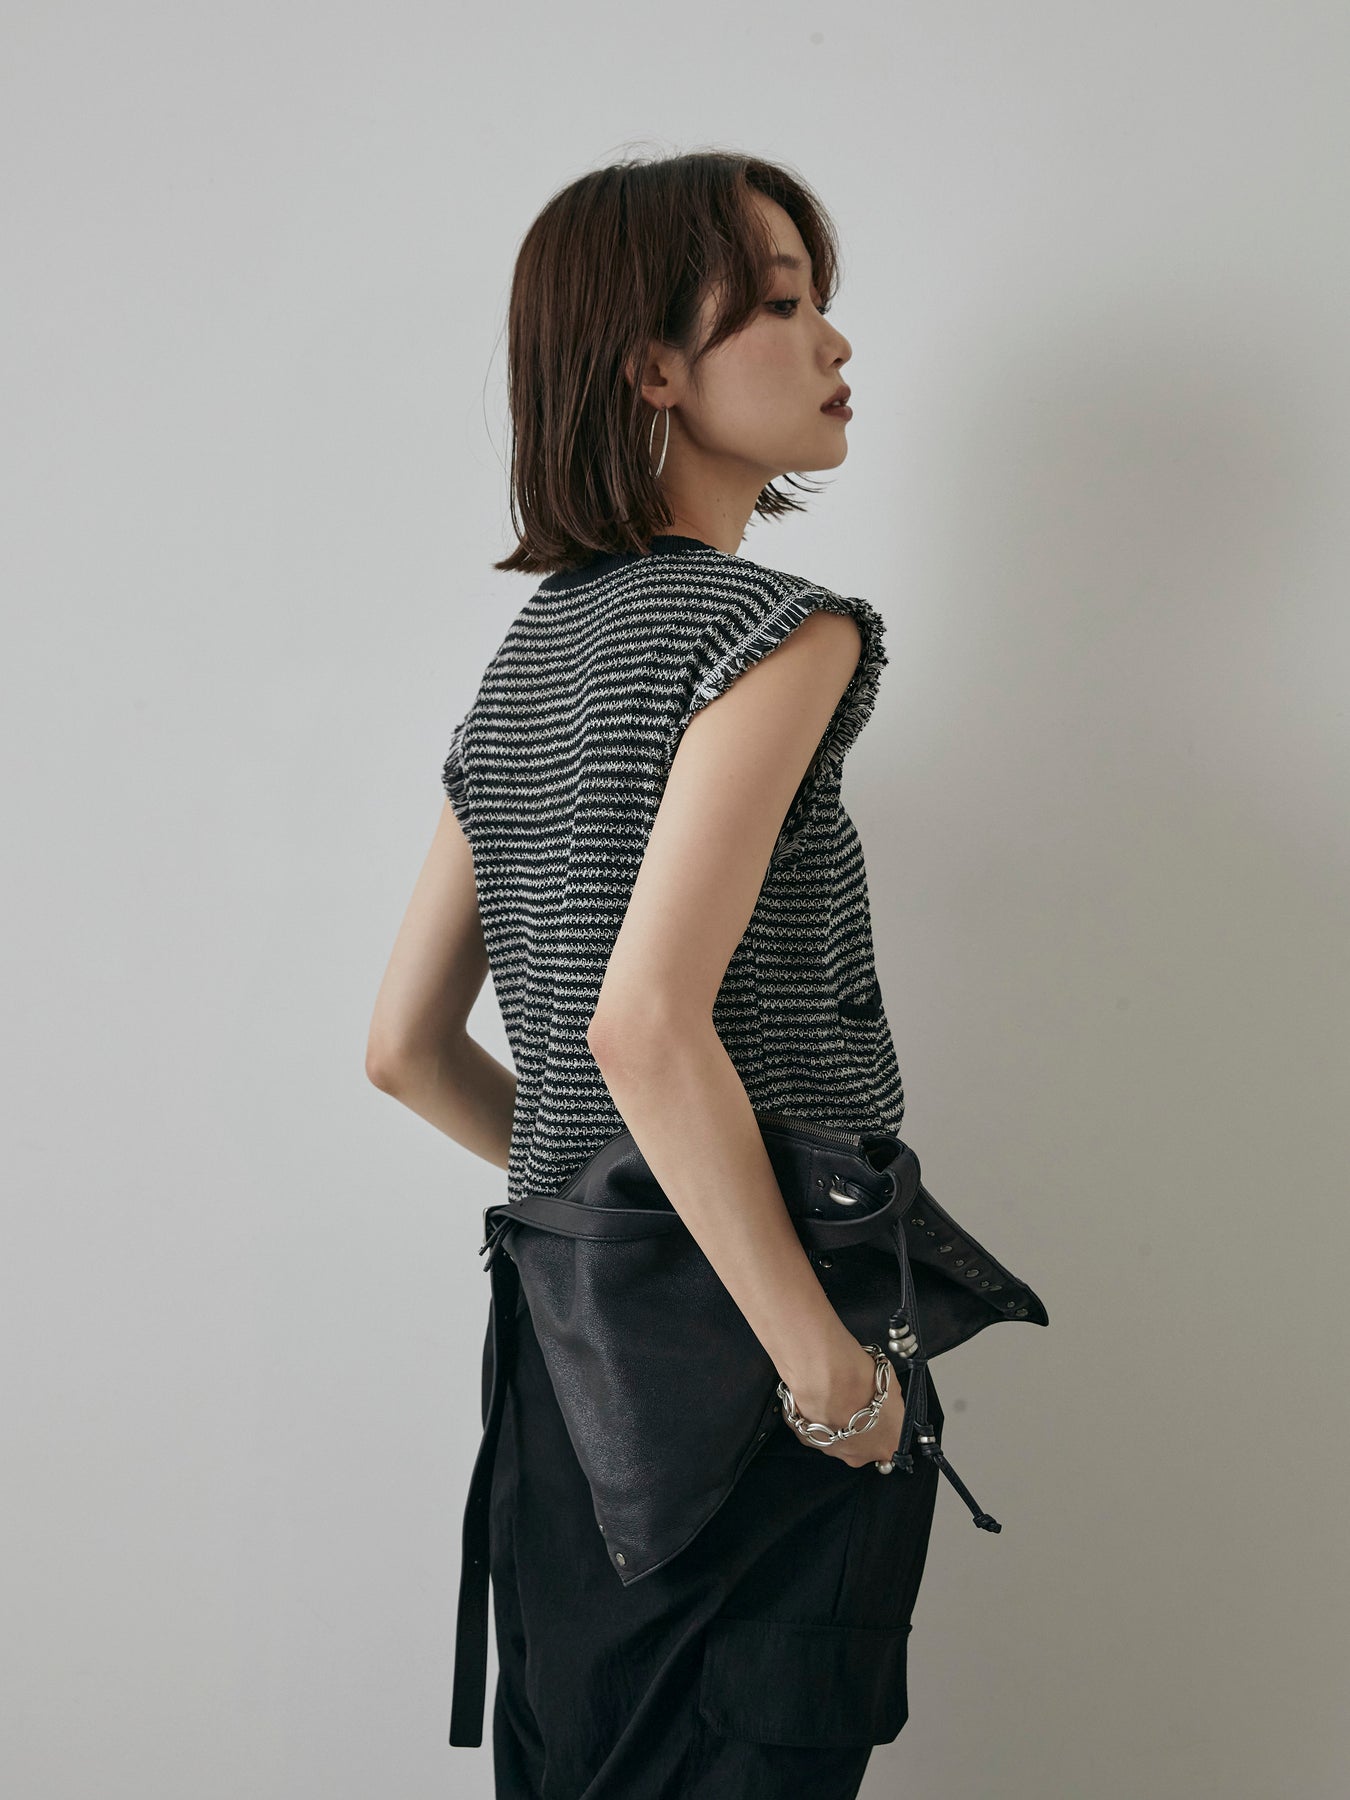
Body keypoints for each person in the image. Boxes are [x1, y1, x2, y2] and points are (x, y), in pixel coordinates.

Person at [366, 148, 944, 1799]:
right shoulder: (780, 630)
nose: (833, 341)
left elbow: (405, 1048)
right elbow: (641, 1025)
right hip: (757, 1368)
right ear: (651, 368)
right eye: (780, 303)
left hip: (572, 1365)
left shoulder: (529, 658)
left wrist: (617, 1207)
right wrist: (826, 1375)